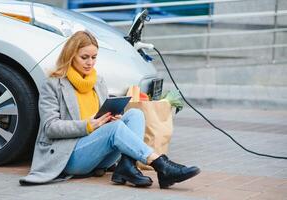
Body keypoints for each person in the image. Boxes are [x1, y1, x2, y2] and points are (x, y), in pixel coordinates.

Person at [19, 31, 200, 189]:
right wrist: (88, 125)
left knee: (135, 114)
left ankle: (126, 167)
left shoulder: (98, 82)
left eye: (94, 57)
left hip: (96, 153)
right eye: (84, 57)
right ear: (70, 55)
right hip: (67, 156)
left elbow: (103, 120)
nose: (90, 63)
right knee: (114, 130)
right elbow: (50, 127)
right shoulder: (53, 85)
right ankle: (161, 165)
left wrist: (113, 118)